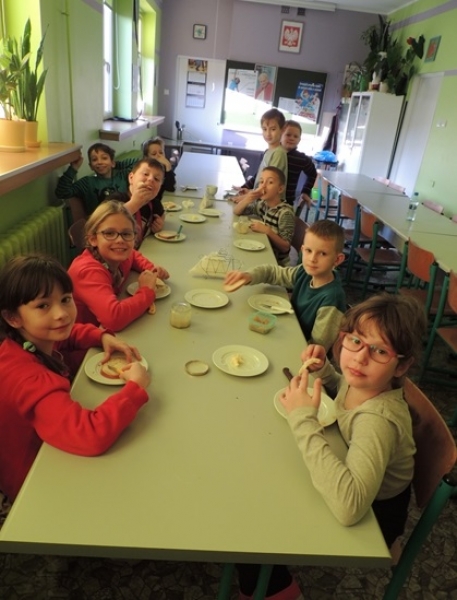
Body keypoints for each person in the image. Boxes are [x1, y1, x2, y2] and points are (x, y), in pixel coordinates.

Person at [238, 293, 427, 600]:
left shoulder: (378, 421)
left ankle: (280, 591)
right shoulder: (366, 381)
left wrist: (302, 418)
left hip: (372, 517)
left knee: (253, 533)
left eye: (380, 350)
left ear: (401, 366)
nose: (360, 358)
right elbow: (344, 389)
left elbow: (350, 506)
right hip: (356, 474)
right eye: (355, 341)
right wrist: (326, 371)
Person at [0, 254, 151, 502]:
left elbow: (66, 335)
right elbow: (90, 435)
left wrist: (101, 336)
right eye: (43, 306)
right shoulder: (29, 379)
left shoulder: (23, 341)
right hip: (32, 480)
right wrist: (135, 388)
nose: (61, 314)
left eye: (65, 299)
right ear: (12, 318)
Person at [224, 220, 346, 349]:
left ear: (337, 259)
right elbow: (273, 273)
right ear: (302, 250)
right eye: (309, 251)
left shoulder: (332, 299)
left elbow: (317, 347)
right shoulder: (304, 272)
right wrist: (249, 276)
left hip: (298, 347)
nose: (312, 259)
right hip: (289, 330)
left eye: (323, 253)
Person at [68, 200, 169, 331]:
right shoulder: (87, 272)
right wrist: (146, 290)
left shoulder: (118, 254)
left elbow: (133, 255)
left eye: (126, 234)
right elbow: (114, 318)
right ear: (93, 239)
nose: (120, 240)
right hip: (83, 341)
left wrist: (151, 269)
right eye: (109, 233)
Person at [55, 143, 138, 222]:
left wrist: (114, 165)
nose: (99, 162)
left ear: (112, 162)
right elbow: (62, 192)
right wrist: (73, 168)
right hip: (100, 223)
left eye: (104, 158)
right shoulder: (87, 182)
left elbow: (139, 163)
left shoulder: (122, 176)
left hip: (124, 219)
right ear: (91, 166)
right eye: (94, 159)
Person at [232, 166, 295, 266]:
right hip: (262, 253)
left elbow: (285, 247)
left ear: (280, 189)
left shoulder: (285, 213)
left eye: (270, 182)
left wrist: (267, 231)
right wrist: (248, 198)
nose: (263, 186)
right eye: (261, 182)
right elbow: (237, 211)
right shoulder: (263, 205)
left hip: (276, 263)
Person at [108, 157, 167, 245]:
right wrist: (135, 203)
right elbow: (104, 222)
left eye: (156, 179)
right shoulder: (115, 199)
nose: (151, 179)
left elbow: (162, 215)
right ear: (131, 178)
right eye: (145, 174)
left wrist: (159, 225)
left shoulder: (154, 203)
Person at [235, 108, 288, 202]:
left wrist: (246, 198)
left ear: (282, 130)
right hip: (261, 201)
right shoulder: (268, 151)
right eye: (264, 129)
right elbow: (262, 182)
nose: (268, 133)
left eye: (273, 129)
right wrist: (250, 192)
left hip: (270, 206)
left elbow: (269, 186)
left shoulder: (278, 153)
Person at [281, 120, 317, 210]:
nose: (292, 138)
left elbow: (313, 174)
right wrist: (247, 186)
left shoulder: (301, 158)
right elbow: (259, 173)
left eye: (295, 136)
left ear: (299, 140)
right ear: (280, 135)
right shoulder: (271, 153)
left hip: (286, 203)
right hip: (266, 199)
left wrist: (305, 191)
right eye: (288, 135)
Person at [142, 137, 177, 205]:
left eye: (161, 153)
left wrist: (168, 166)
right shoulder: (146, 172)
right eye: (154, 154)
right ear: (146, 157)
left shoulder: (162, 167)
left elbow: (171, 188)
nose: (158, 156)